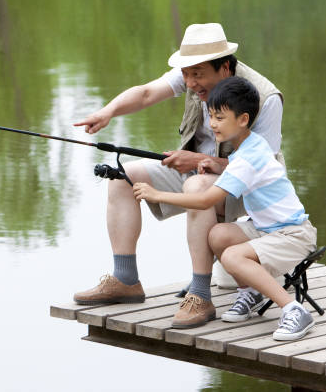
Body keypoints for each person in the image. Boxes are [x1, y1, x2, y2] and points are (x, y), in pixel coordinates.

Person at [72, 23, 284, 310]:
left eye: (198, 75)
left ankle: (200, 295)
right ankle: (126, 279)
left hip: (248, 189)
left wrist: (198, 161)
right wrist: (108, 111)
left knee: (196, 185)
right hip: (197, 176)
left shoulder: (265, 97)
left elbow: (263, 170)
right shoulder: (192, 75)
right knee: (122, 177)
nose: (191, 83)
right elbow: (146, 93)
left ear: (224, 68)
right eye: (186, 75)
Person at [133, 76, 317, 340]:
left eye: (220, 117)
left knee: (231, 257)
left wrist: (156, 194)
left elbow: (205, 200)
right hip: (268, 229)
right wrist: (219, 165)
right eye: (210, 116)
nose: (212, 124)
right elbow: (241, 167)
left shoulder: (248, 155)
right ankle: (251, 292)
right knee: (217, 236)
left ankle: (294, 310)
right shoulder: (249, 146)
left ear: (243, 119)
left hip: (293, 235)